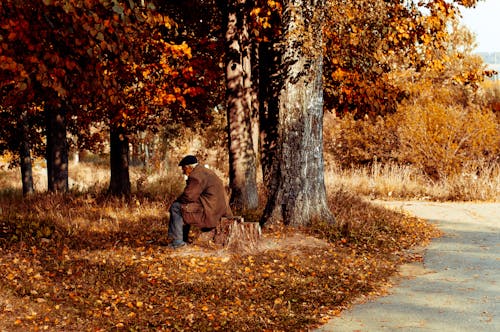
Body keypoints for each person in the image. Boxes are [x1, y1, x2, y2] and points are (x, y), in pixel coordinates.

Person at [168, 155, 232, 248]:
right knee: (182, 207)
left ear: (188, 167)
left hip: (210, 211)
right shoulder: (204, 171)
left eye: (183, 169)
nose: (183, 172)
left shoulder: (195, 176)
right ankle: (183, 239)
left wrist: (176, 200)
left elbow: (188, 196)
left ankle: (178, 243)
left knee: (176, 207)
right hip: (218, 209)